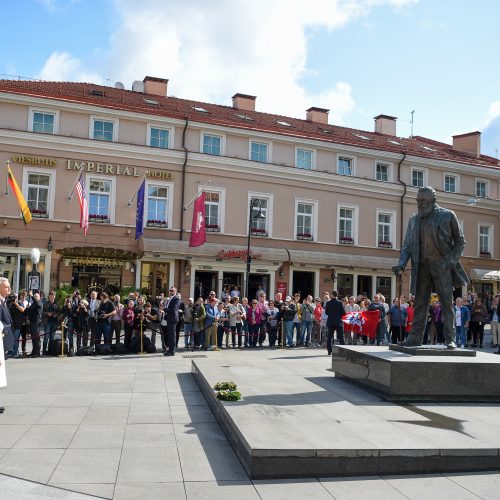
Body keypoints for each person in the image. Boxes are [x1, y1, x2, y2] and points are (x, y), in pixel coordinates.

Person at [392, 186, 468, 348]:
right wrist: (401, 264)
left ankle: (450, 338)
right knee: (420, 303)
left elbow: (460, 241)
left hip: (442, 265)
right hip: (422, 266)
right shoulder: (414, 220)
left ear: (433, 201)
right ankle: (415, 338)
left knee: (447, 303)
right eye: (418, 201)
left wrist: (451, 261)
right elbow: (407, 246)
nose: (420, 204)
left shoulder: (447, 216)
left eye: (423, 201)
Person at [324, 290, 346, 354]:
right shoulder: (340, 303)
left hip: (330, 322)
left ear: (332, 295)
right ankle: (343, 351)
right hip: (338, 322)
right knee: (341, 337)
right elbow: (344, 313)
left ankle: (329, 351)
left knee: (330, 337)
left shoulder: (328, 303)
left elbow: (326, 312)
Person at [25, 291, 43, 357]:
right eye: (34, 296)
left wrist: (32, 296)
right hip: (32, 322)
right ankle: (34, 351)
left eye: (36, 296)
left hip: (36, 323)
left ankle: (37, 353)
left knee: (36, 338)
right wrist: (27, 308)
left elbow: (37, 304)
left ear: (39, 298)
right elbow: (28, 311)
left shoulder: (40, 303)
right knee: (33, 338)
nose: (35, 297)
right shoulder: (33, 304)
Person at [164, 287, 180, 356]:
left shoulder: (176, 298)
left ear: (175, 292)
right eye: (170, 290)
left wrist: (164, 309)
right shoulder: (170, 298)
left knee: (172, 336)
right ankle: (170, 350)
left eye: (172, 291)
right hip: (169, 319)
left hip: (173, 319)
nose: (170, 292)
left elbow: (173, 309)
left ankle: (172, 351)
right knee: (170, 335)